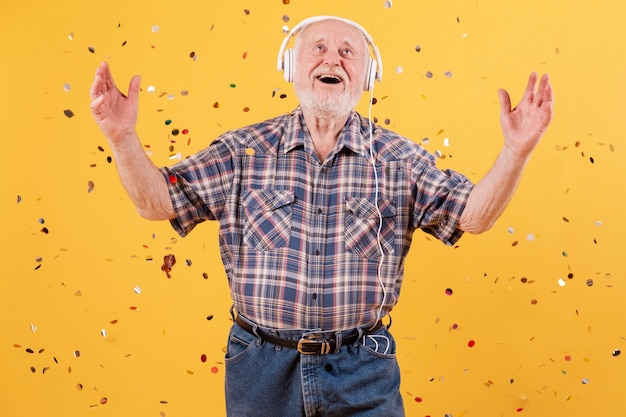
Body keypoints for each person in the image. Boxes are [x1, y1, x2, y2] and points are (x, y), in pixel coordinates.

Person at [90, 15, 553, 417]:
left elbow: (472, 216)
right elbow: (157, 203)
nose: (333, 60)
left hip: (362, 369)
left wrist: (515, 152)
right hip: (260, 369)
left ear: (367, 75)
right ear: (292, 67)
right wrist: (122, 137)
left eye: (348, 52)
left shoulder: (398, 160)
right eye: (319, 48)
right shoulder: (243, 152)